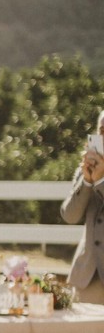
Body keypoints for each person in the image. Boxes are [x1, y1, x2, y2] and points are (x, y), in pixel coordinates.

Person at [61, 108, 104, 304]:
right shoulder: (86, 166)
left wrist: (100, 181)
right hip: (87, 275)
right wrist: (86, 181)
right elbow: (70, 216)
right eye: (102, 130)